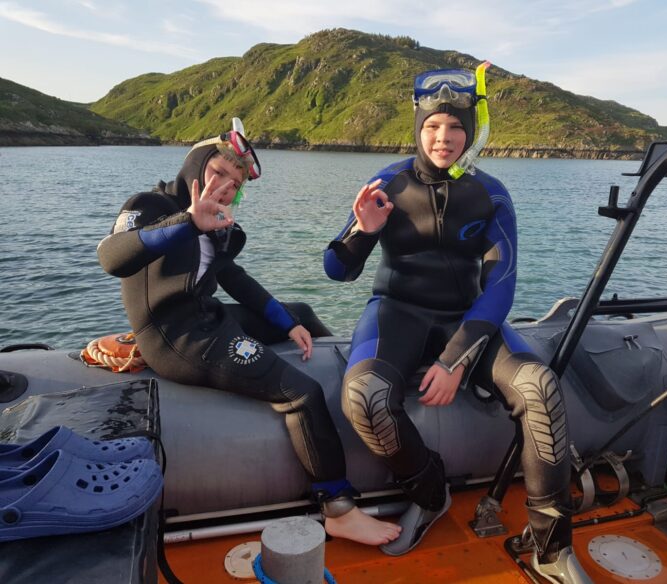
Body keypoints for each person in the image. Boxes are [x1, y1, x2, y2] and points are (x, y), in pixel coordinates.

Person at [324, 65, 591, 582]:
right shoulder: (387, 184)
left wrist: (454, 361)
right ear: (417, 128)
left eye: (454, 127)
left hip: (466, 318)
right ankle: (429, 494)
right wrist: (362, 230)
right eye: (432, 127)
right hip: (395, 311)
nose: (442, 138)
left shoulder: (489, 195)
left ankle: (551, 547)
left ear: (471, 131)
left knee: (538, 386)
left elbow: (501, 286)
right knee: (363, 395)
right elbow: (336, 271)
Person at [97, 123, 401, 547]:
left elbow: (233, 278)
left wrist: (287, 323)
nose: (225, 187)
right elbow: (112, 257)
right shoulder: (149, 205)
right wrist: (187, 221)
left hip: (207, 315)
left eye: (235, 184)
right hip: (177, 338)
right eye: (219, 173)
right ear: (196, 166)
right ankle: (338, 509)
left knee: (303, 313)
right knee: (302, 393)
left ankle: (352, 380)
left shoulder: (219, 225)